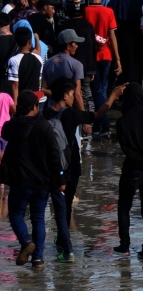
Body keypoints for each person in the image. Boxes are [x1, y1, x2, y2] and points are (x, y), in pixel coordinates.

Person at [43, 77, 125, 261]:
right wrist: (112, 96)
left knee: (58, 206)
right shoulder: (71, 114)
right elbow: (96, 115)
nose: (74, 98)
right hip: (71, 165)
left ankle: (63, 241)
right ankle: (68, 248)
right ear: (65, 96)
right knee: (66, 205)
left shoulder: (44, 114)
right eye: (73, 95)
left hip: (53, 167)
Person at [1, 90, 65, 270]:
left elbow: (4, 133)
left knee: (15, 215)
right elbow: (54, 154)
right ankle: (38, 259)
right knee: (38, 219)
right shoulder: (44, 126)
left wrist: (15, 116)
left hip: (19, 181)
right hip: (42, 182)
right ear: (36, 107)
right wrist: (60, 177)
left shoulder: (12, 126)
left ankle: (26, 241)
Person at [83, 0, 122, 136]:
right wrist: (118, 59)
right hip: (106, 55)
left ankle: (102, 124)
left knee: (96, 91)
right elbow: (112, 36)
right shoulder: (108, 12)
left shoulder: (85, 11)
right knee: (102, 90)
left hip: (91, 56)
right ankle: (102, 125)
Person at [115, 83, 143, 256]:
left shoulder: (122, 122)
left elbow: (125, 148)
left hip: (132, 168)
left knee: (124, 206)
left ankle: (124, 245)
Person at [41, 29, 85, 109]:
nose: (77, 46)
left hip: (51, 109)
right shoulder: (77, 64)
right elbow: (77, 95)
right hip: (70, 110)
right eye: (75, 43)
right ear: (68, 46)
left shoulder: (48, 63)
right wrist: (84, 117)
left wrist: (56, 94)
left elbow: (43, 89)